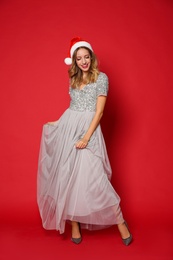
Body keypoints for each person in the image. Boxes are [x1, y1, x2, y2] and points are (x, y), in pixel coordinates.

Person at [37, 37, 132, 246]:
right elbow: (73, 108)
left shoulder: (101, 78)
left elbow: (99, 113)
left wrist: (86, 138)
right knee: (68, 178)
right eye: (79, 58)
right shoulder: (73, 78)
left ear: (91, 57)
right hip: (69, 130)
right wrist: (59, 123)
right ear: (74, 61)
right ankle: (74, 224)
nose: (83, 61)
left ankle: (120, 222)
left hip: (89, 132)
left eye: (86, 57)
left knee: (96, 179)